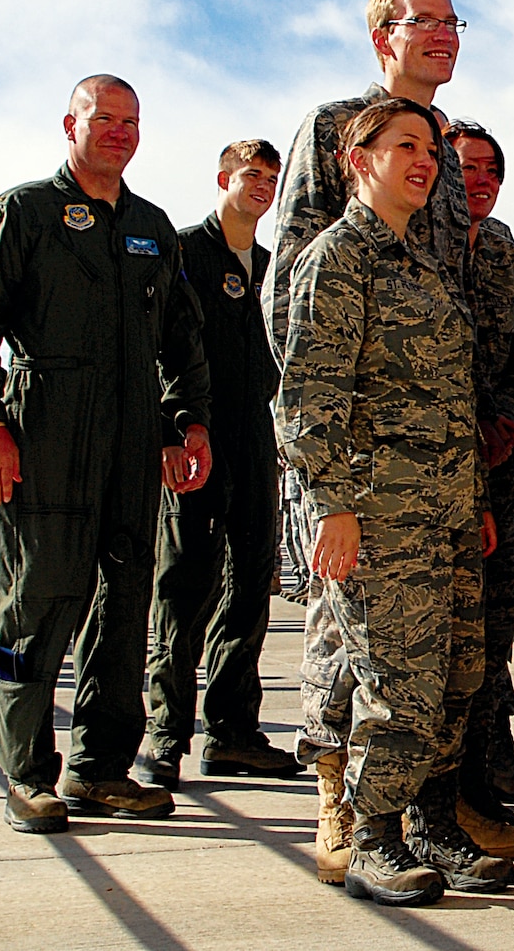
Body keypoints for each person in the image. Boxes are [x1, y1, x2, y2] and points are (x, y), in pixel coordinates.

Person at [265, 0, 514, 878]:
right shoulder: (341, 129)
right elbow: (295, 295)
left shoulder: (446, 154)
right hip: (363, 458)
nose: (443, 35)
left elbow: (449, 299)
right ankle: (342, 805)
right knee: (355, 641)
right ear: (383, 35)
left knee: (446, 655)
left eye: (454, 21)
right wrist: (325, 474)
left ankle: (427, 814)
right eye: (424, 21)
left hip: (441, 458)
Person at [0, 74, 212, 834]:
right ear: (71, 123)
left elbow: (183, 342)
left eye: (133, 121)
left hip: (132, 452)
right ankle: (27, 774)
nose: (120, 132)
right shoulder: (24, 212)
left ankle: (100, 768)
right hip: (47, 441)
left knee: (123, 613)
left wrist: (188, 423)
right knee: (38, 604)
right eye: (106, 118)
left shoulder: (154, 228)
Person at [139, 141, 300, 790]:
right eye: (250, 175)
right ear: (222, 179)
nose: (262, 186)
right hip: (199, 441)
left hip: (257, 442)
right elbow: (158, 349)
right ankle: (164, 736)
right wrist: (170, 431)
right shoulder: (182, 252)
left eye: (271, 177)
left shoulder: (274, 265)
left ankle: (233, 731)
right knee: (183, 589)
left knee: (249, 591)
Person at [443, 120, 514, 812]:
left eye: (492, 170)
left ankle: (492, 751)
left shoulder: (504, 255)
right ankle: (446, 772)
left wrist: (510, 418)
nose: (480, 181)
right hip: (433, 466)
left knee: (493, 617)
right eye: (467, 168)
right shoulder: (416, 247)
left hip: (500, 462)